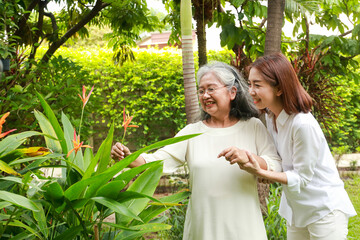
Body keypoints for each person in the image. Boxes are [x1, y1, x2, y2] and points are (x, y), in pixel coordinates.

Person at [111, 61, 282, 240]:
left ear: (232, 92)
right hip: (204, 229)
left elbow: (275, 164)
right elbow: (158, 161)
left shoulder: (253, 127)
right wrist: (127, 157)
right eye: (201, 91)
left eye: (211, 89)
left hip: (245, 228)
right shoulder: (192, 133)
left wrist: (247, 158)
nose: (205, 95)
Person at [235, 53, 356, 240]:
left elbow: (302, 178)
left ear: (279, 88)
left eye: (257, 85)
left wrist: (262, 173)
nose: (250, 91)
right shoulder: (270, 116)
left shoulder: (302, 124)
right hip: (296, 210)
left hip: (324, 210)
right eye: (250, 84)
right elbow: (283, 161)